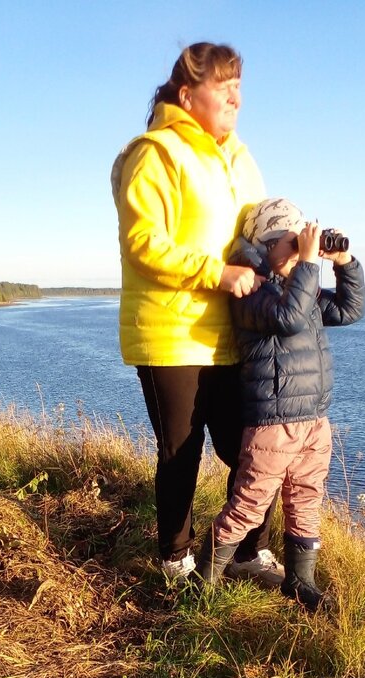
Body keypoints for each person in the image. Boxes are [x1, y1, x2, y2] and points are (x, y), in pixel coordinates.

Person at [111, 43, 282, 583]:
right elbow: (144, 243)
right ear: (188, 95)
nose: (236, 96)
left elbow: (257, 232)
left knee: (256, 450)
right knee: (181, 454)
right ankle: (176, 559)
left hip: (234, 333)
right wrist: (219, 273)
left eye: (240, 86)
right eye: (223, 85)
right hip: (171, 331)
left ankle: (245, 551)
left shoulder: (241, 157)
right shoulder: (155, 153)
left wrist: (288, 252)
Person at [195, 197, 365, 610]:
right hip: (273, 418)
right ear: (266, 245)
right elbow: (287, 319)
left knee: (306, 499)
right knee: (250, 504)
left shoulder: (299, 287)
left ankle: (299, 581)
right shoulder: (251, 290)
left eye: (300, 241)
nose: (298, 250)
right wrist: (307, 265)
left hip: (313, 419)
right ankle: (202, 585)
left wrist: (344, 262)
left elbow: (350, 309)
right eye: (290, 242)